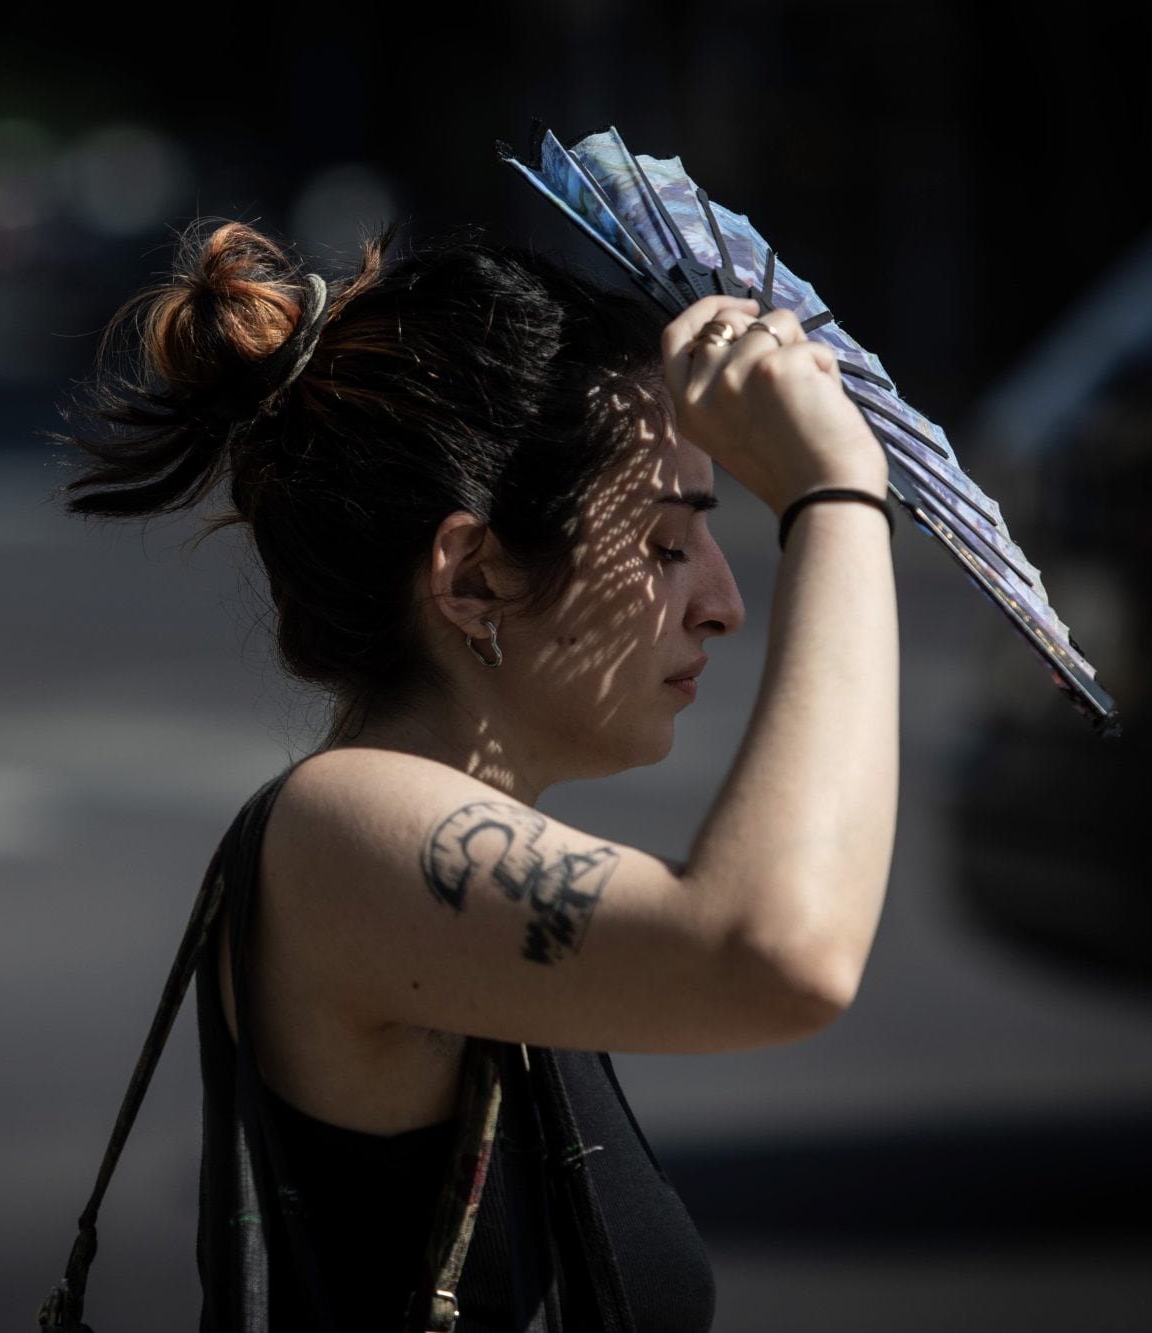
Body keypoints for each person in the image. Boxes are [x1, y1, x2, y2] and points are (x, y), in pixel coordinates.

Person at [55, 216, 897, 1331]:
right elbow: (780, 954)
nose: (720, 602)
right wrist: (837, 499)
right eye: (662, 543)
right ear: (473, 575)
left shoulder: (448, 865)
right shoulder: (340, 825)